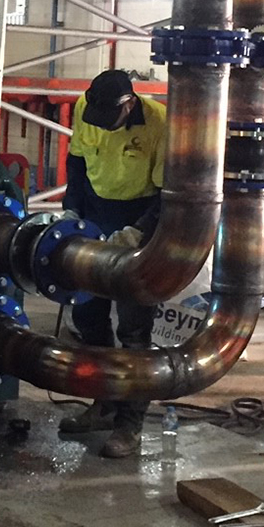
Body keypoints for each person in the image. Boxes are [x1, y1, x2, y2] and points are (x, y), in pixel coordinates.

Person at [59, 68, 165, 458]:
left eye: (110, 118)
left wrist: (139, 231)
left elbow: (169, 193)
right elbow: (77, 164)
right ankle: (102, 404)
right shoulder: (87, 108)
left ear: (129, 104)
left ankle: (129, 424)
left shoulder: (159, 124)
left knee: (134, 329)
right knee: (88, 318)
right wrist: (71, 211)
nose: (101, 124)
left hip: (137, 219)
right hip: (94, 215)